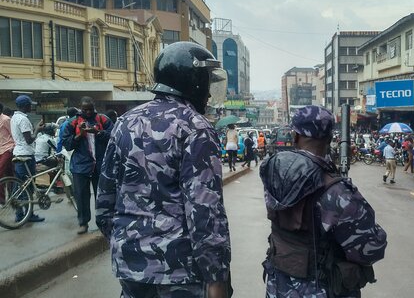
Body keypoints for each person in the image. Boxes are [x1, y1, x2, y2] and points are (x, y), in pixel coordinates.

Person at [96, 42, 232, 298]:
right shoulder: (195, 128)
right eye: (205, 81)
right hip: (179, 273)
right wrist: (216, 276)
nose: (209, 94)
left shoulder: (125, 123)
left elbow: (104, 204)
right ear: (192, 81)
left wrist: (130, 245)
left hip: (130, 267)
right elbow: (205, 212)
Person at [259, 105, 387, 297]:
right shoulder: (337, 192)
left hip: (278, 288)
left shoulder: (274, 174)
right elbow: (372, 248)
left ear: (295, 137)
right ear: (329, 139)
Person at [62, 96, 113, 234]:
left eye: (90, 109)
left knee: (101, 196)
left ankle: (103, 222)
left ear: (94, 107)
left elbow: (114, 136)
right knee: (81, 196)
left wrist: (98, 132)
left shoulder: (103, 119)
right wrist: (80, 135)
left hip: (100, 164)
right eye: (85, 110)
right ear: (81, 108)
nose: (88, 112)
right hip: (80, 166)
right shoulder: (72, 123)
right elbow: (66, 144)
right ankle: (83, 223)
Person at [10, 95, 45, 223]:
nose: (31, 107)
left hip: (18, 154)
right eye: (30, 105)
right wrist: (37, 129)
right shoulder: (23, 119)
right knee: (27, 187)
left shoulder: (14, 118)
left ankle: (20, 214)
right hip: (26, 155)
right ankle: (28, 215)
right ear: (25, 106)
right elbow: (29, 139)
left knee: (19, 186)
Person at [0, 102, 15, 201]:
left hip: (7, 149)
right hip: (1, 149)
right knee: (10, 174)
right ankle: (13, 196)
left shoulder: (6, 119)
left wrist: (13, 147)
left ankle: (1, 199)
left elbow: (14, 134)